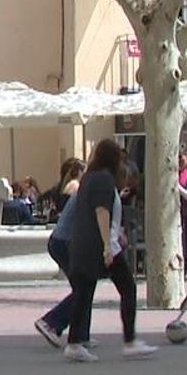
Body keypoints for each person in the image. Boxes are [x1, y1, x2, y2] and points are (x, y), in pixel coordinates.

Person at [62, 140, 156, 362]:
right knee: (127, 288)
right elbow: (101, 211)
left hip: (83, 244)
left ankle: (75, 343)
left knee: (83, 293)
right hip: (100, 246)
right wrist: (107, 245)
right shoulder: (104, 179)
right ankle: (129, 341)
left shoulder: (88, 178)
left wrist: (115, 233)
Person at [34, 191, 80, 348]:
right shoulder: (95, 188)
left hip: (59, 241)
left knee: (83, 288)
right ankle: (51, 322)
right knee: (83, 289)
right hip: (65, 243)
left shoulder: (86, 186)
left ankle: (80, 334)